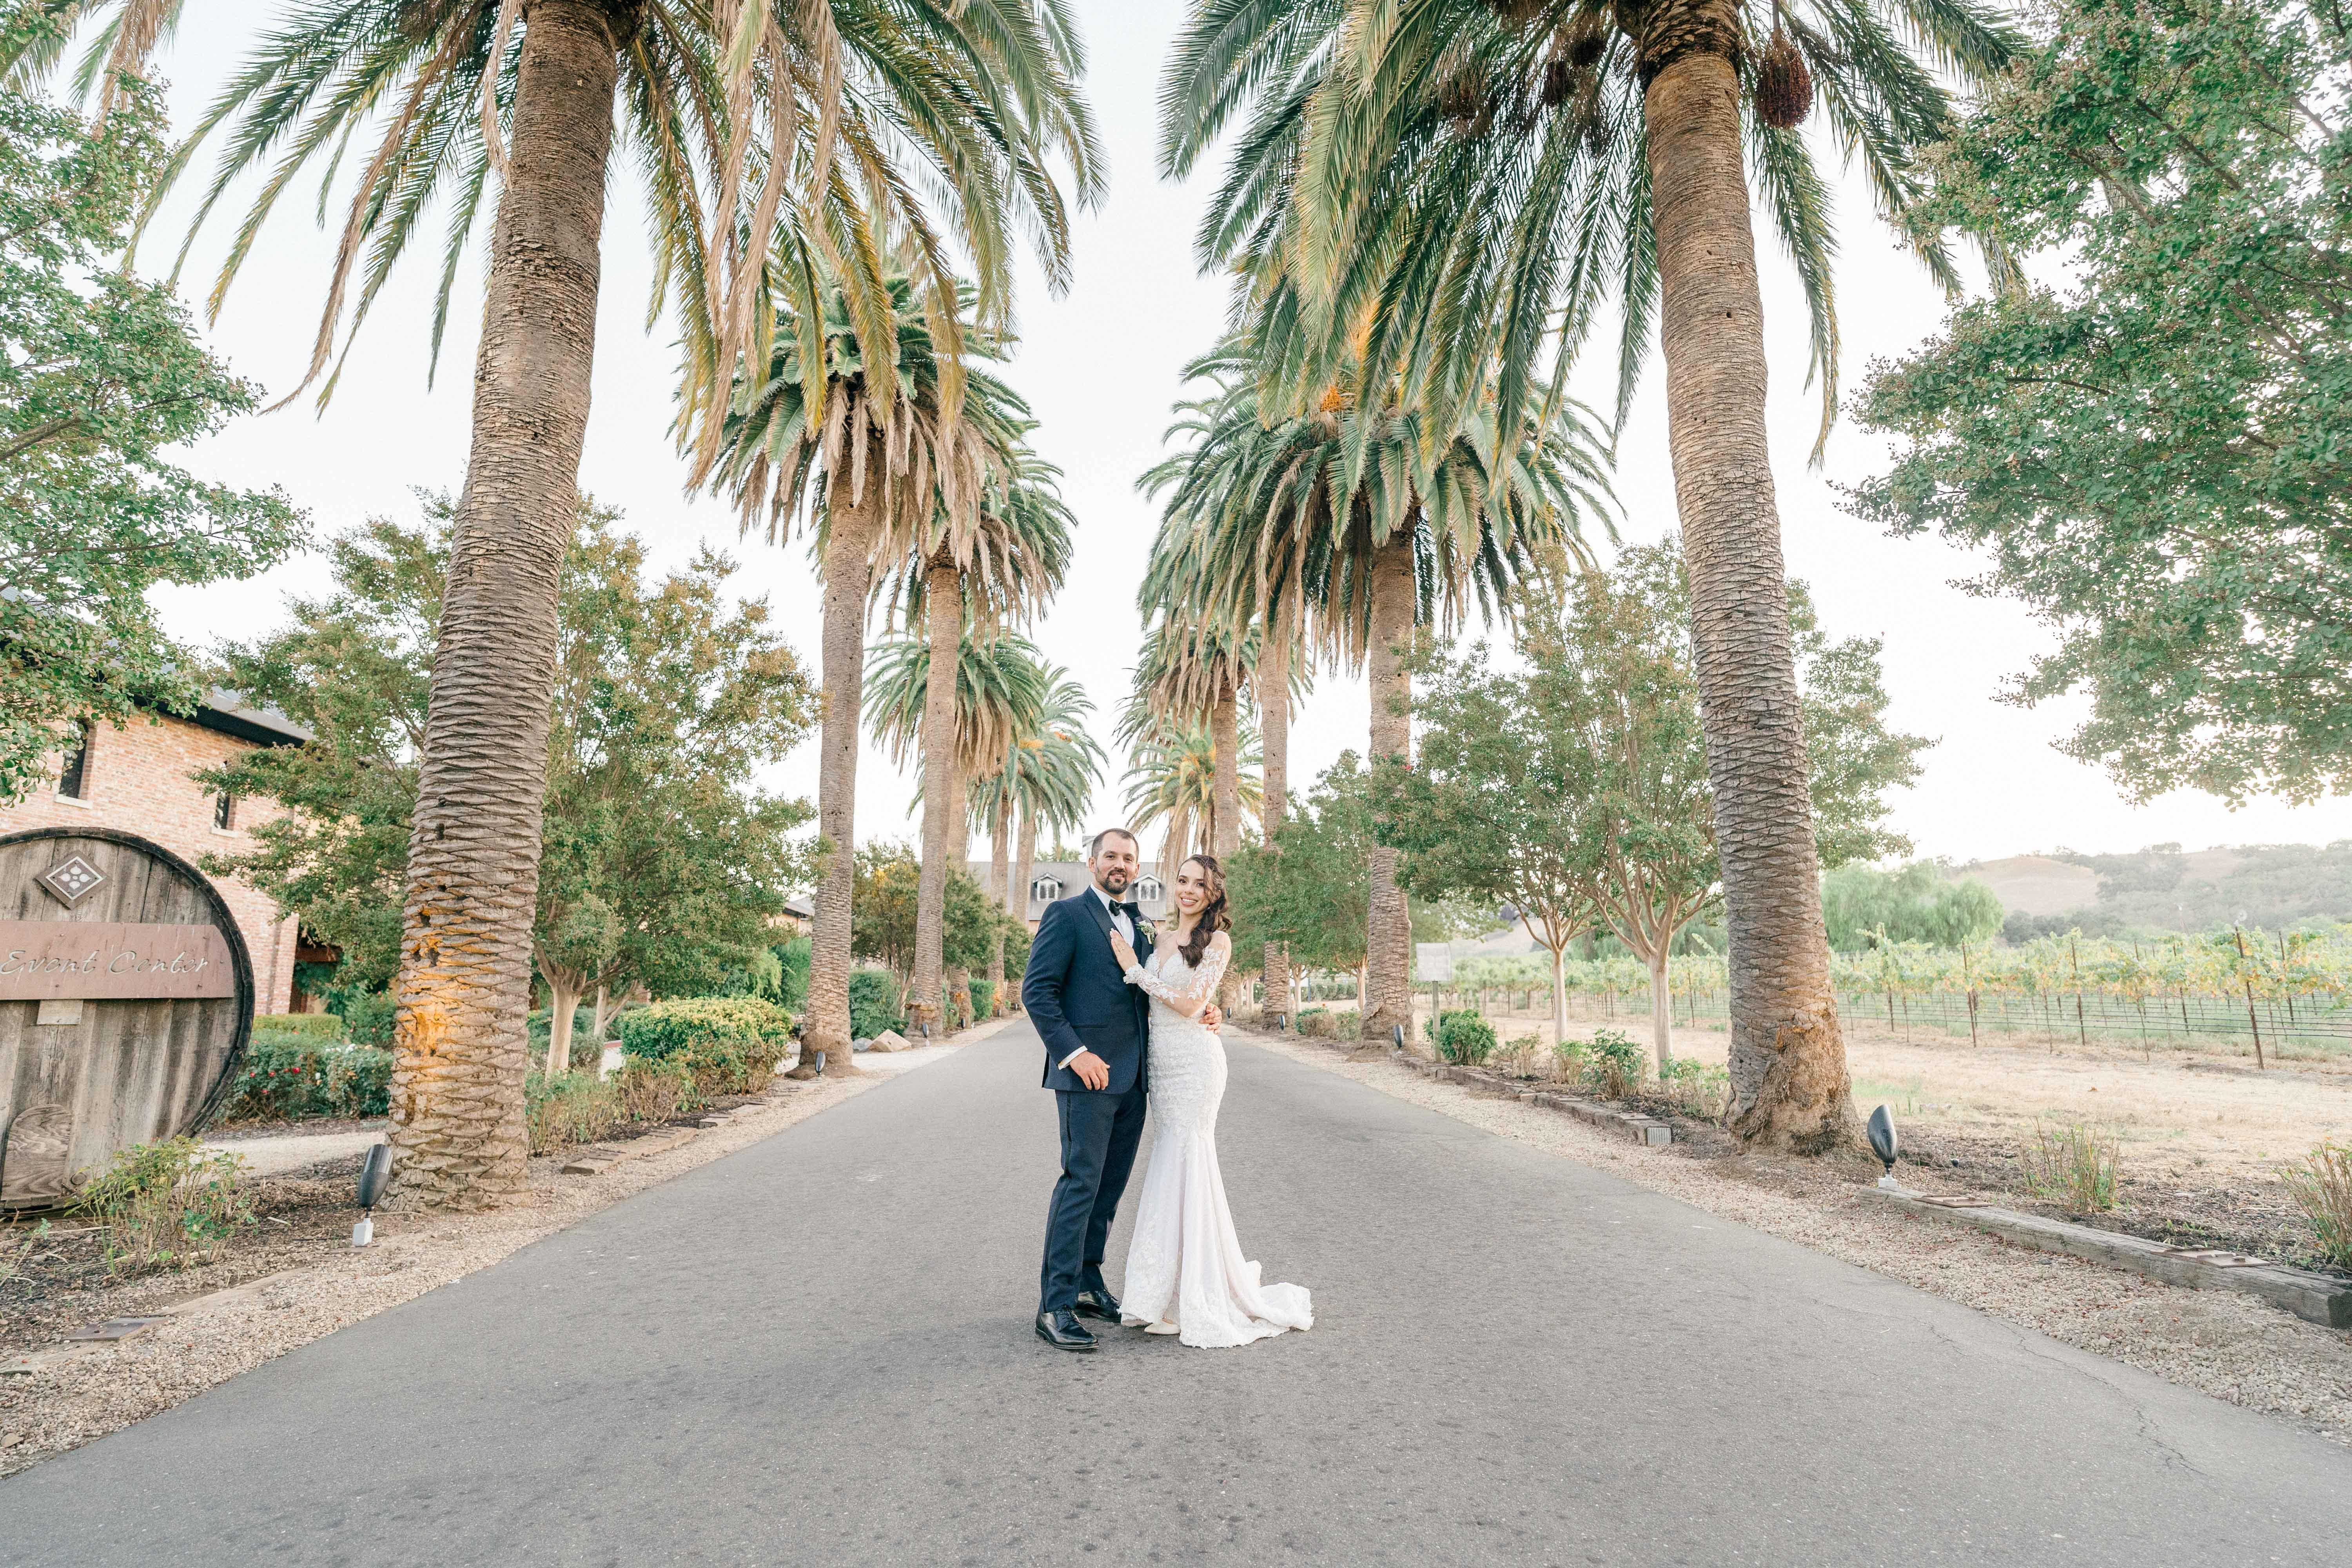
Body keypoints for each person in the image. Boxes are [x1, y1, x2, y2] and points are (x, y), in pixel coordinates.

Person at [1024, 828, 1221, 1352]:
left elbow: (1158, 990)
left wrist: (1207, 1008)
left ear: (1137, 867)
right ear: (1091, 863)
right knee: (1080, 1184)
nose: (1120, 864)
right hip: (1087, 1076)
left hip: (1138, 1079)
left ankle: (1089, 1284)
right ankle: (1055, 1306)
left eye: (1129, 858)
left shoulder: (1143, 924)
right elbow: (1038, 991)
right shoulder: (1066, 915)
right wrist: (1075, 1053)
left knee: (1109, 1191)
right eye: (1110, 855)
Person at [1107, 853, 1312, 1348]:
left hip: (1197, 1065)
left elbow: (1192, 1004)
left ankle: (1186, 1298)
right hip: (1162, 1064)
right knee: (1169, 1162)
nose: (1188, 890)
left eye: (1199, 884)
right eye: (1182, 880)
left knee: (1189, 1160)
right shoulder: (1157, 938)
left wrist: (1135, 971)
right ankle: (1161, 1292)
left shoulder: (1218, 941)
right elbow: (1159, 1003)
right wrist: (1144, 972)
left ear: (1213, 892)